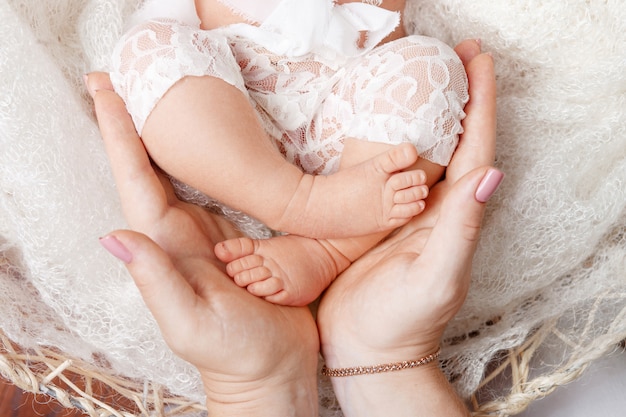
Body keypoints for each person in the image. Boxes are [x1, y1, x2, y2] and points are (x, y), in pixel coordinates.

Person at [88, 35, 499, 415]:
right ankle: (305, 212)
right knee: (154, 49)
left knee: (427, 65)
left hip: (343, 136)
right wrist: (384, 358)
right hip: (238, 138)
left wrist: (254, 385)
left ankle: (323, 242)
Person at [109, 0, 470, 305]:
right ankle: (295, 202)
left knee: (431, 63)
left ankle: (328, 250)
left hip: (347, 144)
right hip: (228, 127)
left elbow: (390, 42)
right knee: (150, 47)